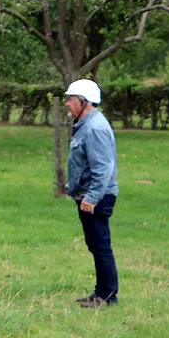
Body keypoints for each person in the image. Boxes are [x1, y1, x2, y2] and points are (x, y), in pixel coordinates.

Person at [63, 79, 120, 308]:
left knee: (101, 246)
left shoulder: (95, 128)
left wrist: (92, 197)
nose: (67, 104)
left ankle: (107, 296)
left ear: (83, 101)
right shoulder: (86, 125)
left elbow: (103, 168)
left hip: (96, 197)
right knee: (96, 246)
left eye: (70, 99)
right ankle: (101, 292)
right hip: (88, 195)